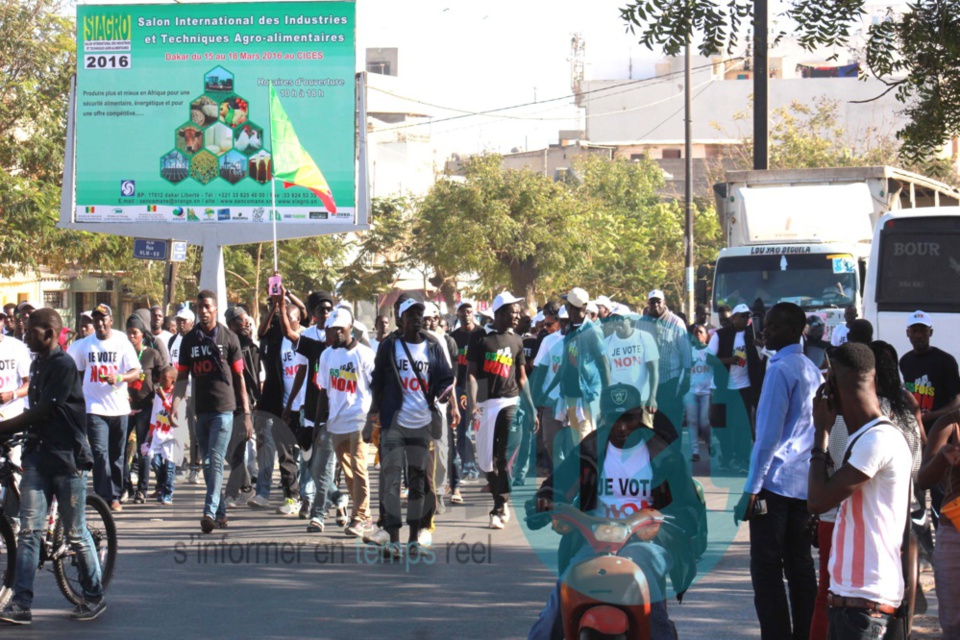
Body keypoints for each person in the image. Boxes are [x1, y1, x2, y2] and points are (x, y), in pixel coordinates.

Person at [528, 383, 706, 640]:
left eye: (629, 418)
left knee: (641, 579)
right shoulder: (590, 448)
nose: (622, 427)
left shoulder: (664, 453)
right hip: (594, 541)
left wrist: (662, 528)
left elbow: (689, 507)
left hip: (648, 543)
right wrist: (543, 502)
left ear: (641, 415)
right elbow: (557, 484)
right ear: (603, 418)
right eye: (614, 419)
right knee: (563, 592)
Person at [0, 308, 106, 623]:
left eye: (31, 330)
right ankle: (21, 604)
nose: (25, 334)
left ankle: (94, 595)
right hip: (38, 457)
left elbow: (43, 411)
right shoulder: (39, 363)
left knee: (75, 532)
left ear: (49, 333)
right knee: (29, 532)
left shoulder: (63, 365)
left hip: (67, 459)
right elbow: (34, 415)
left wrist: (4, 427)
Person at [808, 343, 913, 640]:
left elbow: (817, 501)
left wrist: (821, 434)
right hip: (855, 602)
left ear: (832, 385)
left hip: (865, 605)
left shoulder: (877, 441)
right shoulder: (869, 437)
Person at [734, 302, 819, 640]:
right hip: (802, 484)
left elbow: (767, 437)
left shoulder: (780, 369)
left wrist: (751, 489)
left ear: (794, 330)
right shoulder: (810, 367)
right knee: (800, 566)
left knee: (767, 569)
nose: (765, 331)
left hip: (775, 484)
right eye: (765, 324)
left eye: (773, 326)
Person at [367, 297, 454, 557]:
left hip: (421, 425)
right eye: (411, 314)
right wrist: (373, 414)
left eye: (420, 313)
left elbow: (446, 378)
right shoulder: (389, 345)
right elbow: (377, 380)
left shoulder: (433, 346)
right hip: (394, 424)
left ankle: (414, 539)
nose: (417, 318)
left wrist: (444, 394)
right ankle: (393, 539)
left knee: (417, 484)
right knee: (392, 482)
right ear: (400, 319)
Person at [171, 290, 253, 534]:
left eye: (208, 306)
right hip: (201, 410)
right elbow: (182, 377)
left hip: (224, 410)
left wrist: (246, 414)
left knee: (215, 460)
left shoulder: (229, 338)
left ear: (215, 309)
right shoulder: (189, 340)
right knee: (207, 464)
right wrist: (175, 405)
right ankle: (220, 513)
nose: (204, 311)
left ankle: (208, 511)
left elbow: (239, 378)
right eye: (200, 307)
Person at [67, 304, 141, 513]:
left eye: (103, 319)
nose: (99, 323)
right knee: (100, 453)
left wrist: (119, 377)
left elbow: (136, 371)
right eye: (96, 319)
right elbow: (79, 372)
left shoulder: (121, 341)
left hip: (119, 408)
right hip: (94, 407)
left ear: (110, 320)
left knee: (117, 455)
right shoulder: (85, 345)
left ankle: (116, 495)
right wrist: (80, 397)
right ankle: (103, 496)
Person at [467, 292, 527, 530]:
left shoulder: (517, 340)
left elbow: (522, 378)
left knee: (504, 457)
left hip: (510, 402)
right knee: (486, 462)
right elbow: (471, 374)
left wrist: (531, 407)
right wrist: (473, 403)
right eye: (513, 312)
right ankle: (500, 500)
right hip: (485, 404)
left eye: (518, 312)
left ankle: (498, 507)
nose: (517, 316)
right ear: (500, 313)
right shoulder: (480, 338)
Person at [315, 307, 376, 538]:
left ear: (351, 327)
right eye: (333, 329)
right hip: (336, 422)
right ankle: (365, 516)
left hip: (359, 418)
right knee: (349, 471)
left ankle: (359, 517)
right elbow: (323, 392)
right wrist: (318, 424)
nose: (337, 333)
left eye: (341, 328)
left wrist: (372, 419)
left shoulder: (365, 354)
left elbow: (376, 388)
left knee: (359, 468)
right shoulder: (326, 355)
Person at [899, 309, 960, 536]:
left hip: (941, 439)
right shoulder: (905, 361)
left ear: (930, 332)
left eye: (922, 331)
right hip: (914, 437)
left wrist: (931, 416)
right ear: (907, 333)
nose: (918, 335)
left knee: (941, 492)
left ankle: (945, 536)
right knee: (915, 492)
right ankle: (925, 545)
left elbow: (957, 401)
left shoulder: (945, 361)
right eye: (914, 331)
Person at [919, 410, 960, 637]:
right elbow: (924, 479)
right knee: (953, 622)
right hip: (954, 531)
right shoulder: (950, 423)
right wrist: (942, 456)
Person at [554, 287, 610, 442]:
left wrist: (607, 395)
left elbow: (604, 363)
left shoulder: (592, 331)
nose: (565, 307)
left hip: (588, 395)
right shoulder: (569, 329)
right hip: (571, 394)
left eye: (566, 304)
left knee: (586, 442)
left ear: (572, 308)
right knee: (576, 444)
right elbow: (566, 363)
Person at [641, 289, 692, 442]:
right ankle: (659, 455)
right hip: (649, 383)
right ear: (648, 304)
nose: (655, 305)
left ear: (664, 302)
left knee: (672, 422)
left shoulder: (676, 322)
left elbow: (686, 353)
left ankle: (674, 454)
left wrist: (686, 378)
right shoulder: (642, 323)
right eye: (652, 302)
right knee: (653, 425)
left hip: (671, 380)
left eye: (658, 301)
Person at [223, 306, 260, 508]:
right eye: (242, 320)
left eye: (247, 320)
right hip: (226, 403)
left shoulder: (250, 347)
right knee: (227, 451)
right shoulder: (227, 345)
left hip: (244, 406)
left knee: (237, 450)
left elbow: (255, 379)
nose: (246, 324)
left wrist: (252, 404)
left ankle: (230, 494)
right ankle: (246, 486)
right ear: (232, 324)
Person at [123, 313, 162, 504]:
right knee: (122, 448)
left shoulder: (152, 354)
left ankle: (142, 490)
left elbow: (163, 377)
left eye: (135, 333)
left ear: (142, 335)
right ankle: (126, 487)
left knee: (143, 449)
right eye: (129, 333)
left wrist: (160, 400)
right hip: (125, 407)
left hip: (146, 408)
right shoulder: (122, 353)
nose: (131, 337)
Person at [168, 307, 200, 484]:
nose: (180, 323)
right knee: (176, 431)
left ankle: (195, 467)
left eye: (184, 321)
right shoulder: (173, 340)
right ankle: (179, 465)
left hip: (195, 392)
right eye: (178, 320)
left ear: (192, 322)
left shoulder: (197, 339)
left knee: (195, 433)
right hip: (179, 392)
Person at [450, 302, 480, 482]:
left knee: (481, 432)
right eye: (462, 312)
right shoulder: (453, 337)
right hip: (460, 387)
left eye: (469, 312)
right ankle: (469, 466)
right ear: (458, 315)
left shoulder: (481, 334)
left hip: (480, 387)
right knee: (463, 431)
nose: (466, 315)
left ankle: (488, 466)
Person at [145, 366, 179, 505]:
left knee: (170, 467)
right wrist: (151, 434)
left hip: (172, 436)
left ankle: (168, 494)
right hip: (158, 434)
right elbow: (154, 414)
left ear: (173, 381)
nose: (161, 381)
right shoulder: (158, 394)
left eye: (165, 379)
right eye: (161, 378)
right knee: (155, 462)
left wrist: (164, 399)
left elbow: (176, 414)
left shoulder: (177, 396)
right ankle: (162, 486)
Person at [684, 324, 716, 464]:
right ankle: (695, 452)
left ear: (706, 336)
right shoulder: (689, 352)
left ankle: (710, 443)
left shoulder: (710, 351)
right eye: (695, 332)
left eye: (700, 332)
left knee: (704, 422)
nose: (697, 334)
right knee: (692, 421)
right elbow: (685, 370)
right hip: (692, 391)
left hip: (706, 392)